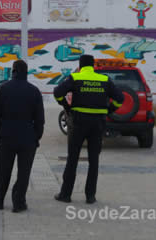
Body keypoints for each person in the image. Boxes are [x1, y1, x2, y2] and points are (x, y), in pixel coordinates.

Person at [53, 54, 124, 204]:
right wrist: (109, 110)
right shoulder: (104, 79)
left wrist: (66, 106)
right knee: (94, 160)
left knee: (72, 159)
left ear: (80, 66)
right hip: (98, 124)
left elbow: (57, 93)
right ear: (93, 66)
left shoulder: (75, 77)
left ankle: (65, 195)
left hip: (78, 123)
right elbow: (120, 99)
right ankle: (90, 196)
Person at [0, 59, 45, 213]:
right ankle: (18, 203)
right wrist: (36, 137)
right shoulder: (34, 91)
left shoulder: (2, 89)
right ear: (26, 73)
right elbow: (40, 119)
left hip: (6, 135)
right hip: (27, 137)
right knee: (24, 172)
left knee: (2, 170)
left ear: (13, 71)